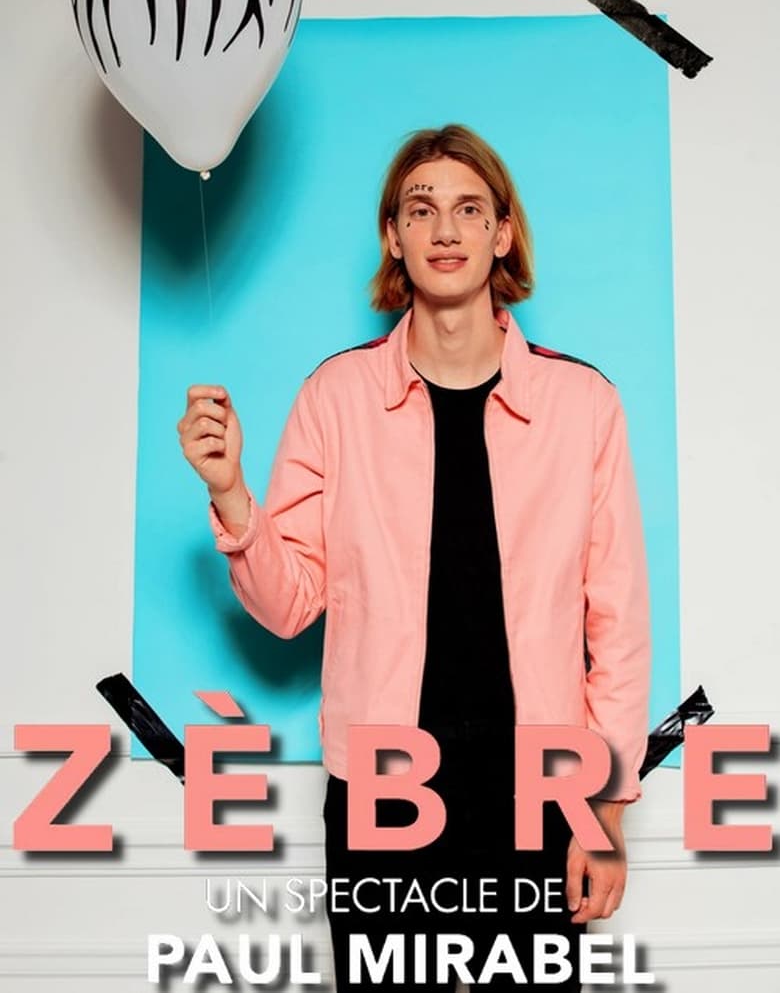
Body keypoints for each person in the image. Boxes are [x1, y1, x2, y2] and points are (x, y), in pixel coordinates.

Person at [178, 124, 651, 991]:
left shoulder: (585, 404)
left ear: (502, 233)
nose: (445, 230)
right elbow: (288, 607)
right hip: (382, 796)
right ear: (393, 235)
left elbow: (616, 623)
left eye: (469, 209)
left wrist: (607, 812)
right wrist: (232, 493)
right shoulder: (335, 396)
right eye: (421, 209)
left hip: (538, 794)